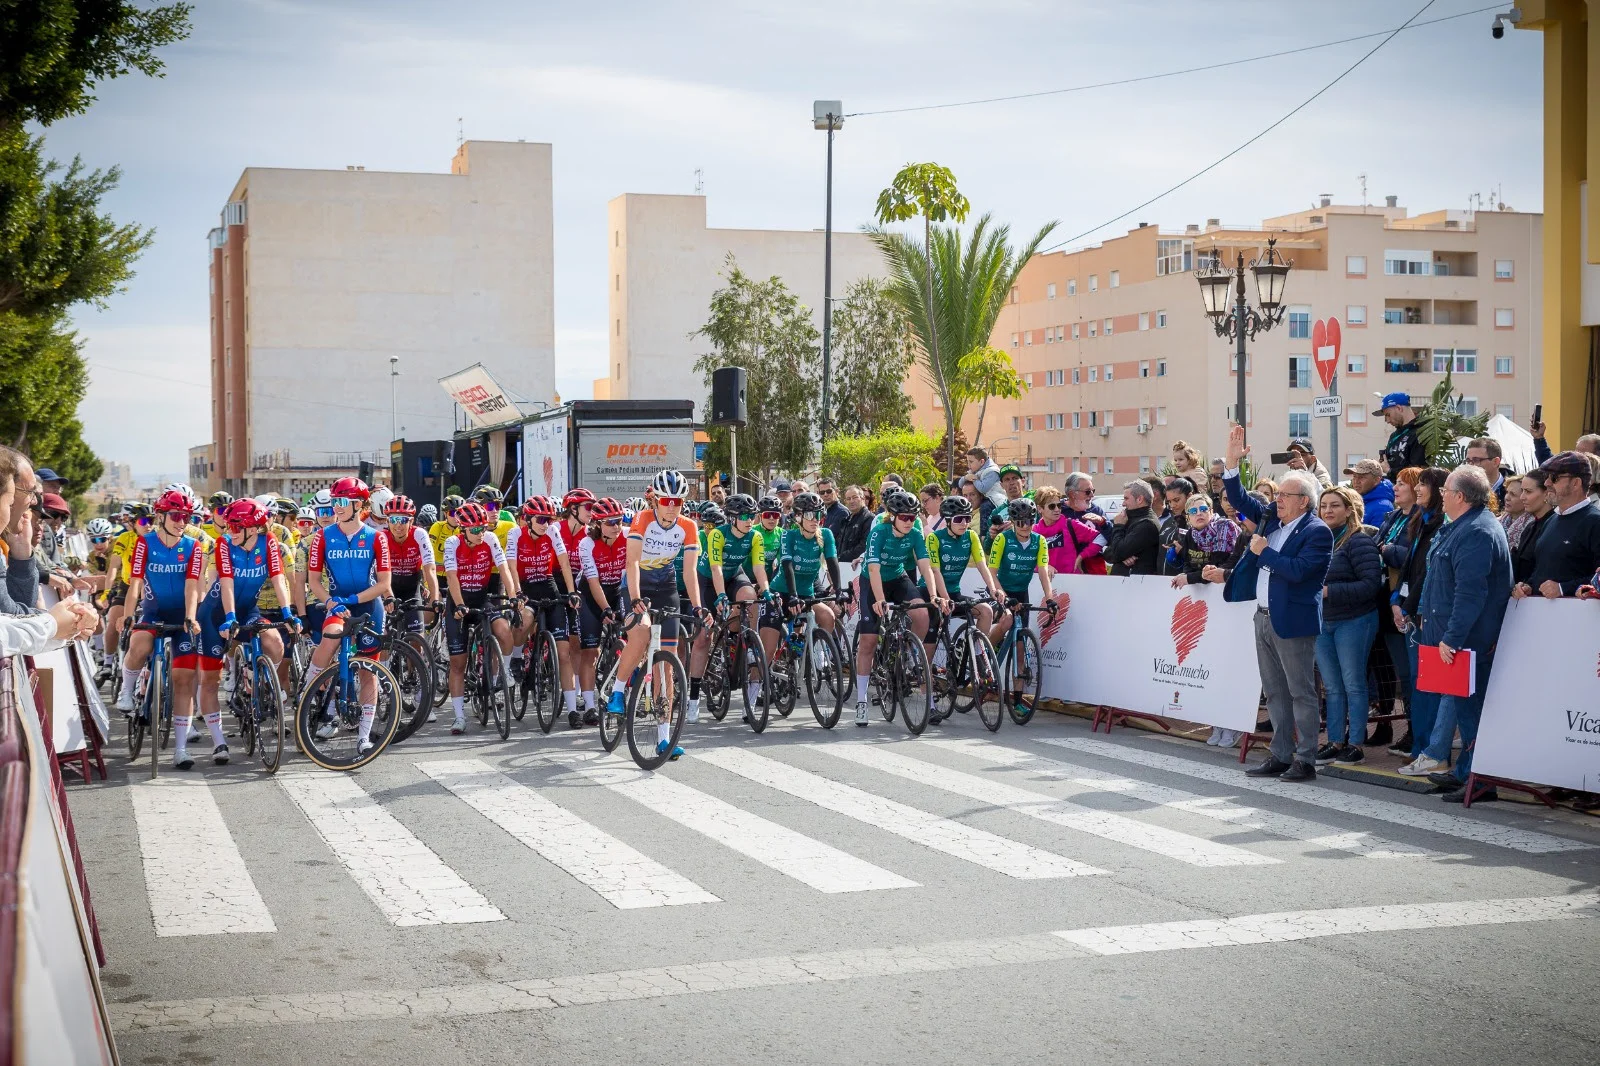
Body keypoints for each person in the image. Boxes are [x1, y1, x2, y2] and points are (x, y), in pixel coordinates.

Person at [1221, 424, 1333, 782]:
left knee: (1301, 692)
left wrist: (1265, 553)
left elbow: (1300, 572)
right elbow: (1240, 500)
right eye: (1278, 493)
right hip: (1264, 617)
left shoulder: (1317, 531)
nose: (1277, 499)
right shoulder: (1273, 518)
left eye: (1285, 494)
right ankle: (1281, 754)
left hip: (1293, 621)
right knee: (1274, 692)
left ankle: (1306, 759)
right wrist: (1232, 466)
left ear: (1304, 501)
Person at [1397, 465, 1512, 801]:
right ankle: (1465, 772)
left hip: (1467, 642)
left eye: (1445, 490)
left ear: (1460, 496)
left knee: (1473, 711)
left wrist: (1452, 637)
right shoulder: (1461, 526)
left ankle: (1481, 781)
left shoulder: (1477, 531)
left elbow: (1470, 593)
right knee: (1464, 709)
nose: (1440, 495)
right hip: (1451, 639)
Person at [195, 499, 299, 764]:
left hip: (248, 608)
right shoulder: (225, 544)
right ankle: (219, 742)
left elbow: (278, 578)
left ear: (252, 529)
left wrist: (287, 613)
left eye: (235, 525)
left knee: (275, 641)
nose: (229, 530)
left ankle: (260, 678)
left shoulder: (269, 543)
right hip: (215, 612)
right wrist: (229, 618)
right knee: (209, 680)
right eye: (228, 525)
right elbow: (226, 582)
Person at [613, 470, 703, 760]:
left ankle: (664, 739)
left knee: (667, 663)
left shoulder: (688, 526)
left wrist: (699, 605)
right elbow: (633, 562)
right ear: (655, 500)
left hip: (665, 585)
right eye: (666, 500)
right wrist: (637, 597)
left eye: (677, 500)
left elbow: (689, 571)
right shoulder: (642, 520)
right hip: (637, 582)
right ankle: (616, 691)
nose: (672, 506)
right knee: (640, 632)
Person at [115, 489, 208, 768]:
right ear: (161, 516)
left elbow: (193, 587)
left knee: (183, 679)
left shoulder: (194, 546)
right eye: (177, 516)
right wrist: (129, 615)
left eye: (187, 517)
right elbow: (135, 584)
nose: (182, 522)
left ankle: (181, 749)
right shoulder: (145, 543)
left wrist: (191, 617)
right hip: (154, 612)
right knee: (140, 643)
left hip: (181, 616)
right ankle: (127, 691)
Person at [304, 477, 394, 753]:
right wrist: (332, 601)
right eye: (334, 502)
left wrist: (352, 600)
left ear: (359, 505)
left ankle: (364, 737)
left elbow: (383, 583)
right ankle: (308, 692)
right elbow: (314, 581)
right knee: (329, 639)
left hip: (368, 606)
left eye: (342, 502)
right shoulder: (323, 536)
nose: (337, 507)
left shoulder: (377, 537)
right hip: (336, 605)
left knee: (368, 672)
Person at [853, 489, 943, 727]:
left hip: (897, 577)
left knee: (922, 613)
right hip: (873, 582)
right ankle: (861, 700)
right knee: (869, 641)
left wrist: (933, 595)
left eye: (913, 517)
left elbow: (925, 565)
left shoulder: (914, 533)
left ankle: (911, 654)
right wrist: (880, 599)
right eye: (904, 517)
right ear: (891, 515)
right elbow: (872, 570)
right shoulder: (878, 533)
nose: (909, 522)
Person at [1311, 486, 1382, 765]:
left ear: (1349, 509)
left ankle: (1356, 744)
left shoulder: (1359, 541)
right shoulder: (1318, 540)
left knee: (1353, 684)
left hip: (1355, 620)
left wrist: (1331, 592)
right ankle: (1334, 740)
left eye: (1334, 505)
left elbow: (1370, 584)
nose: (1327, 510)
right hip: (1322, 621)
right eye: (1324, 505)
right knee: (1332, 686)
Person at [1387, 468, 1449, 761]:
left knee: (1429, 685)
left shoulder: (1441, 524)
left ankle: (1430, 750)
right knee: (1417, 682)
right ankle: (1420, 747)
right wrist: (1396, 599)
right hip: (1410, 609)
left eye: (1424, 484)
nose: (1419, 489)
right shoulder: (1420, 520)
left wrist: (1411, 605)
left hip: (1427, 615)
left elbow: (1429, 573)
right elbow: (1411, 567)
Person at [691, 491, 769, 724]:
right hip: (707, 580)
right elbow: (715, 570)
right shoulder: (717, 534)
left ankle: (746, 639)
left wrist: (766, 589)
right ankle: (693, 698)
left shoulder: (755, 536)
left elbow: (758, 569)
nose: (749, 521)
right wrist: (722, 596)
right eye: (744, 516)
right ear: (732, 517)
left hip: (735, 575)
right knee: (704, 637)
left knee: (750, 597)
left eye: (752, 516)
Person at [439, 501, 516, 735]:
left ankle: (501, 674)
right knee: (458, 663)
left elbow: (505, 571)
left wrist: (513, 596)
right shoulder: (452, 543)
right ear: (463, 529)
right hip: (459, 601)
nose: (481, 533)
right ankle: (459, 716)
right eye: (475, 530)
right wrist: (460, 604)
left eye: (483, 528)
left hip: (482, 598)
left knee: (504, 632)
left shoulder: (490, 540)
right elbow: (451, 577)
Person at [505, 496, 582, 725]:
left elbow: (565, 563)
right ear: (528, 519)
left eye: (548, 519)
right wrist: (517, 592)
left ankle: (571, 710)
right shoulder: (515, 534)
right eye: (540, 519)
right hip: (526, 585)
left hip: (548, 584)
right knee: (524, 619)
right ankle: (517, 658)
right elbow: (510, 566)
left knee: (564, 652)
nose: (545, 523)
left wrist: (571, 591)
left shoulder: (552, 532)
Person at [761, 491, 843, 671]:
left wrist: (838, 590)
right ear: (798, 517)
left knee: (828, 616)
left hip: (806, 593)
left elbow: (832, 562)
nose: (815, 520)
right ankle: (757, 687)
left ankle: (816, 654)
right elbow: (788, 567)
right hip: (783, 591)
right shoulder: (789, 535)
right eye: (810, 515)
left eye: (819, 515)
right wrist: (792, 596)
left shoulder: (826, 534)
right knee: (768, 648)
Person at [1514, 451, 1600, 599]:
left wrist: (1563, 588)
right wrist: (1528, 586)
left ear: (1576, 483)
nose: (1547, 483)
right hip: (1545, 616)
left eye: (1554, 478)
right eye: (1547, 477)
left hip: (1579, 619)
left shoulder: (1594, 522)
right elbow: (1543, 570)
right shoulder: (1551, 520)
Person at [574, 497, 628, 720]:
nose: (616, 526)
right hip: (591, 594)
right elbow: (593, 581)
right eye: (610, 523)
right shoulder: (586, 544)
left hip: (617, 590)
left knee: (632, 640)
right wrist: (605, 609)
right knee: (590, 652)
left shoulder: (628, 536)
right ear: (597, 524)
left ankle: (626, 694)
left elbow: (632, 573)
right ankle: (589, 706)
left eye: (619, 521)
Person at [1167, 493, 1239, 588]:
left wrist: (1190, 578)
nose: (1199, 513)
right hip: (1202, 588)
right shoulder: (1191, 534)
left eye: (1203, 509)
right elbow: (1187, 563)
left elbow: (1218, 569)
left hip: (1225, 586)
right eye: (1193, 511)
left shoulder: (1225, 527)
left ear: (1211, 512)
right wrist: (1186, 575)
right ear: (1188, 517)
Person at [1032, 486, 1102, 575]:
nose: (1057, 509)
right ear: (1039, 509)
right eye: (1052, 506)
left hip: (1072, 581)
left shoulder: (1071, 524)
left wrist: (1082, 556)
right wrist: (1042, 567)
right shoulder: (1034, 531)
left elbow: (1100, 537)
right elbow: (1027, 557)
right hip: (1046, 583)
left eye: (1059, 505)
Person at [1510, 470, 1555, 590]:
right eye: (1522, 491)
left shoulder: (1555, 527)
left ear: (1546, 493)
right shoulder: (1529, 528)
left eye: (1528, 492)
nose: (1522, 497)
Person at [1105, 481, 1161, 575]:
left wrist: (1118, 526)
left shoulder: (1147, 524)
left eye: (1126, 499)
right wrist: (1121, 556)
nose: (1123, 504)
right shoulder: (1127, 519)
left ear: (1139, 499)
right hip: (1124, 583)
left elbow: (1118, 552)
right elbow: (1107, 552)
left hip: (1137, 585)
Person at [1377, 392, 1428, 475]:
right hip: (1394, 485)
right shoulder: (1394, 435)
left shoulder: (1420, 432)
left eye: (1388, 415)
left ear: (1399, 408)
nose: (1387, 420)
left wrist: (1390, 471)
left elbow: (1416, 472)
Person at [1342, 458, 1395, 526]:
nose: (1356, 481)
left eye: (1362, 477)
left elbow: (1376, 535)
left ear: (1376, 480)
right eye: (1354, 476)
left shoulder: (1383, 507)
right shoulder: (1358, 500)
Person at [1465, 437, 1508, 510]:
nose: (1470, 465)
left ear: (1495, 462)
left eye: (1476, 460)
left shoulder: (1513, 491)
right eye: (1468, 460)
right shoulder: (1462, 490)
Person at [833, 485, 873, 564]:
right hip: (843, 566)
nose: (851, 501)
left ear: (862, 498)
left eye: (855, 497)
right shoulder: (846, 520)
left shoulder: (869, 518)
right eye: (848, 499)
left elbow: (864, 546)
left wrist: (841, 557)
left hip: (857, 568)